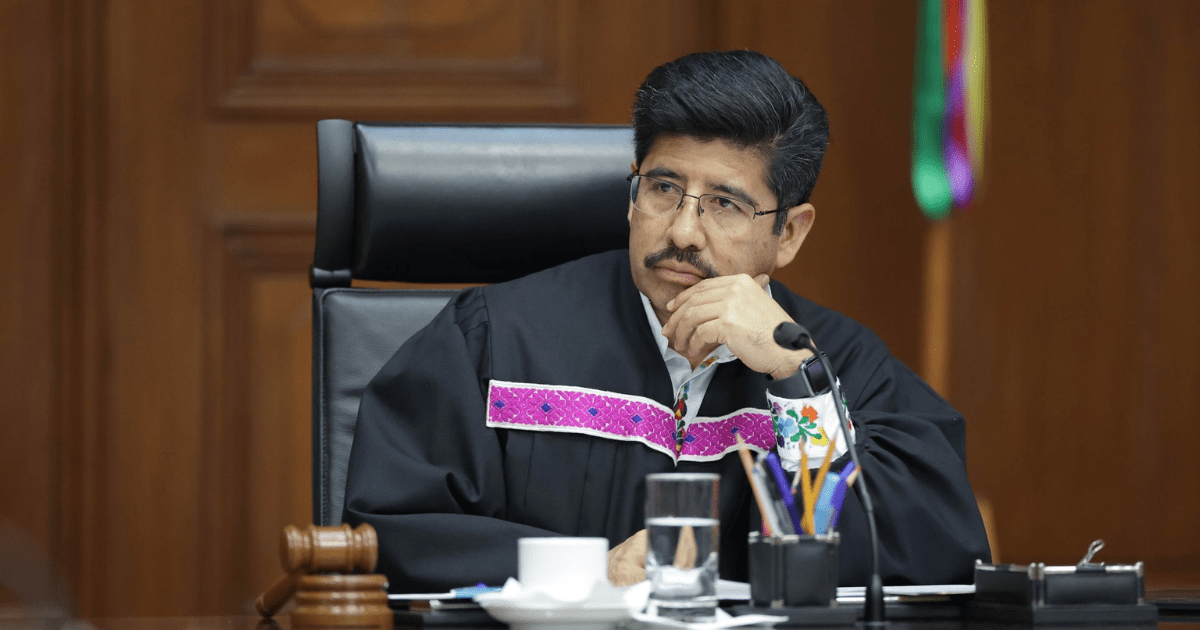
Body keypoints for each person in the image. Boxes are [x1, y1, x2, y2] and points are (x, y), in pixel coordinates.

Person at [343, 50, 991, 593]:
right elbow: (389, 533)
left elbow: (919, 560)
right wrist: (587, 574)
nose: (683, 231)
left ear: (790, 233)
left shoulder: (843, 365)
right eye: (663, 189)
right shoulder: (495, 340)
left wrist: (796, 379)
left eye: (726, 204)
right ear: (632, 192)